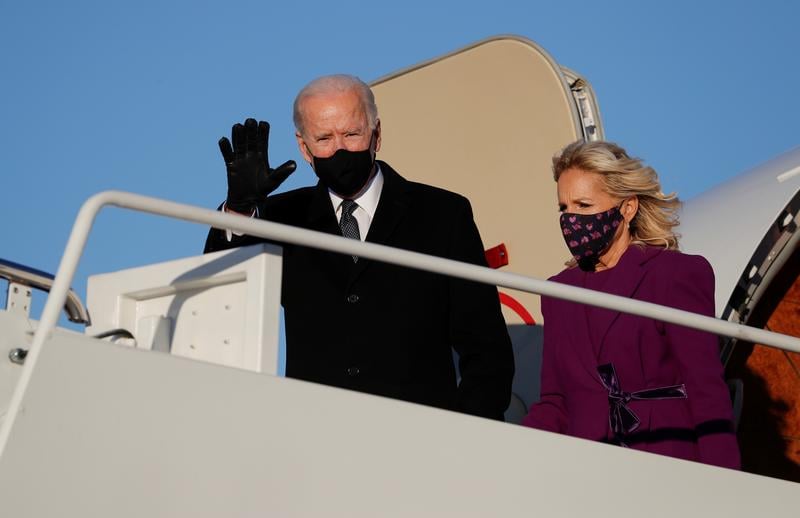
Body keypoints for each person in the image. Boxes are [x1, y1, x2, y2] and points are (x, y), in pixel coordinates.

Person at [204, 74, 514, 420]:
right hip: (315, 437)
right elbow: (220, 292)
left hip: (424, 438)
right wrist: (240, 212)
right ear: (304, 148)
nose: (339, 148)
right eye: (324, 138)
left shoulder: (442, 214)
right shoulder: (279, 218)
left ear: (376, 134)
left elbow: (485, 346)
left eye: (351, 134)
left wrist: (470, 434)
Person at [522, 140, 740, 468]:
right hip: (584, 469)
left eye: (583, 205)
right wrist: (510, 451)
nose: (571, 220)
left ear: (627, 208)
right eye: (564, 208)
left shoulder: (675, 274)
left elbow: (705, 388)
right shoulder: (557, 292)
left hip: (665, 459)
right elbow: (555, 402)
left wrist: (727, 482)